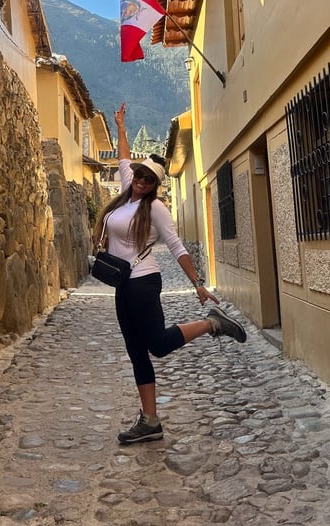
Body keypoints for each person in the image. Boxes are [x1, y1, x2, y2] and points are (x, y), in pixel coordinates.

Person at [95, 103, 246, 445]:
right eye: (139, 174)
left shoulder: (155, 208)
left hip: (143, 283)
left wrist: (198, 284)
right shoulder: (126, 192)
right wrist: (120, 127)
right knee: (136, 352)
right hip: (123, 285)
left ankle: (212, 324)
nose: (140, 180)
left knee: (158, 345)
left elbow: (177, 246)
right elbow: (122, 158)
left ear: (154, 185)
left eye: (148, 179)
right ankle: (150, 421)